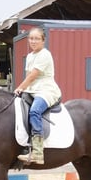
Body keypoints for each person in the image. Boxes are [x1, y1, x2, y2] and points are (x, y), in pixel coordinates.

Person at [13, 27, 62, 164]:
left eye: (36, 39)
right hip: (31, 90)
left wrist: (20, 87)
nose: (33, 41)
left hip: (46, 90)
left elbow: (33, 75)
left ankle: (38, 153)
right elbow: (29, 77)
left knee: (34, 111)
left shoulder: (45, 55)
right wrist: (23, 89)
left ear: (43, 40)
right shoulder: (30, 56)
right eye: (31, 38)